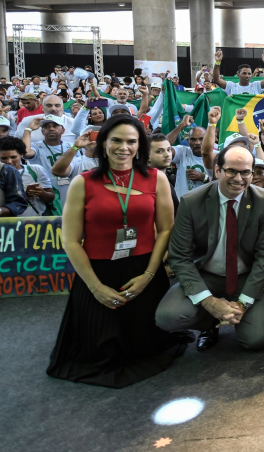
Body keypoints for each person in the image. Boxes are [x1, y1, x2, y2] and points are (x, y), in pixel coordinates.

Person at [47, 115, 188, 387]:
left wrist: (148, 275)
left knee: (145, 344)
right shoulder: (83, 182)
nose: (124, 147)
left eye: (131, 141)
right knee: (99, 349)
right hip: (98, 273)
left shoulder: (156, 179)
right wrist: (96, 288)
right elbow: (72, 241)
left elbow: (166, 230)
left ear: (140, 146)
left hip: (144, 270)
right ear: (103, 143)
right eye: (117, 140)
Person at [155, 146, 264, 351]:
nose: (239, 178)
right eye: (231, 171)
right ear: (217, 170)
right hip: (206, 275)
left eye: (246, 172)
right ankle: (210, 322)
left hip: (245, 277)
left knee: (256, 340)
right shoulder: (192, 202)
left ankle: (232, 311)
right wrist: (209, 302)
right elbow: (180, 256)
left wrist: (243, 304)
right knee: (168, 317)